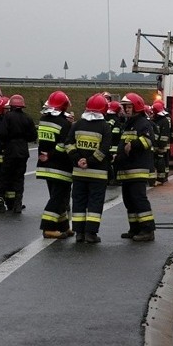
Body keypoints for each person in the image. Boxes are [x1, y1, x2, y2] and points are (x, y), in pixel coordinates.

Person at [65, 93, 112, 244]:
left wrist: (78, 159)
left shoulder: (77, 124)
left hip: (79, 173)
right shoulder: (105, 127)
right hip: (98, 175)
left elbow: (68, 143)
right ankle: (91, 234)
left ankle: (79, 233)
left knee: (78, 201)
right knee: (94, 204)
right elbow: (104, 149)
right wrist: (90, 161)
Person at [116, 93, 156, 241]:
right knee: (129, 201)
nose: (126, 109)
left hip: (137, 170)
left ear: (136, 107)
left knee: (139, 200)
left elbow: (148, 141)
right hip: (127, 170)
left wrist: (133, 145)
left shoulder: (143, 123)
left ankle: (147, 230)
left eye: (128, 106)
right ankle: (135, 229)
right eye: (125, 106)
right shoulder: (129, 123)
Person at [36, 91, 74, 238]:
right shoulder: (64, 123)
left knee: (59, 197)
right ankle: (48, 228)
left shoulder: (43, 119)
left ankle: (63, 226)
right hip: (60, 167)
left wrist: (47, 155)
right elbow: (63, 145)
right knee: (58, 198)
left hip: (45, 166)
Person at [0, 94, 38, 214]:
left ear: (11, 106)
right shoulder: (27, 118)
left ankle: (0, 202)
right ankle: (17, 204)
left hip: (10, 150)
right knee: (19, 178)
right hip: (22, 151)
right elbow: (33, 136)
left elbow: (2, 133)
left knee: (5, 176)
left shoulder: (7, 117)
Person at [151, 100, 172, 185]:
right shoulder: (161, 120)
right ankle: (161, 177)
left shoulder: (163, 121)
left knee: (160, 161)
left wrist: (161, 146)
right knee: (160, 160)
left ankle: (161, 178)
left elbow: (163, 136)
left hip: (160, 146)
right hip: (158, 145)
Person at [105, 100, 124, 184]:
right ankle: (115, 179)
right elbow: (116, 134)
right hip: (114, 147)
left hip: (105, 146)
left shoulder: (105, 117)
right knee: (116, 163)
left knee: (107, 163)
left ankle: (108, 179)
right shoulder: (116, 120)